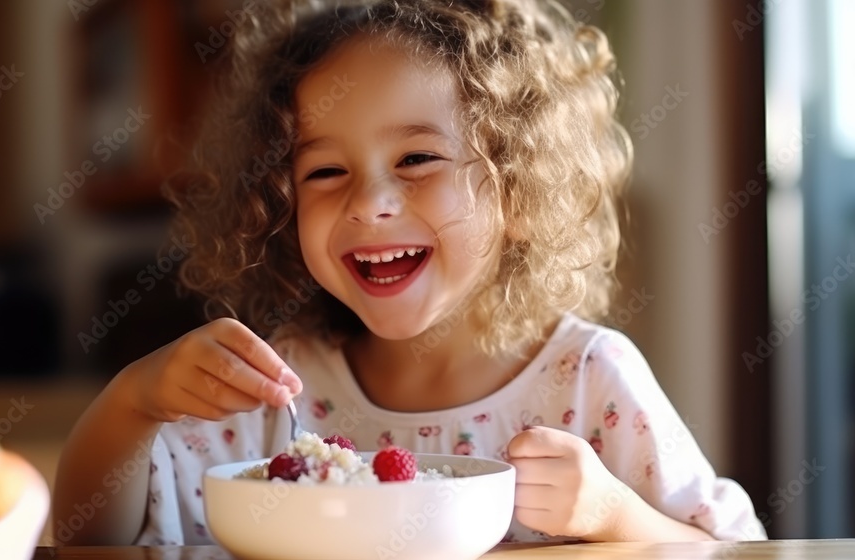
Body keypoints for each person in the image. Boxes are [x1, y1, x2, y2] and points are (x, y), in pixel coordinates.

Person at [52, 0, 766, 546]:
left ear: (516, 189)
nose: (369, 203)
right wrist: (133, 402)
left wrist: (617, 515)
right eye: (325, 171)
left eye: (417, 159)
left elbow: (738, 552)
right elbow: (95, 539)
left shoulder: (589, 380)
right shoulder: (279, 389)